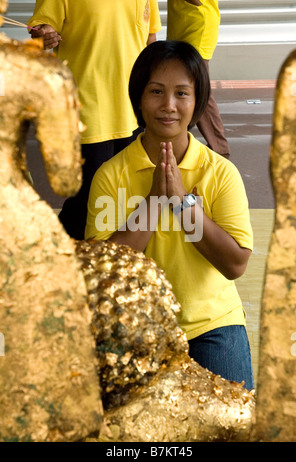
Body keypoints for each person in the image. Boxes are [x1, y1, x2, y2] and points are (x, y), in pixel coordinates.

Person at [85, 40, 254, 390]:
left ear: (198, 101)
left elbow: (235, 265)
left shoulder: (220, 173)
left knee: (234, 425)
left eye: (181, 93)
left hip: (213, 325)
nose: (168, 106)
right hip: (136, 326)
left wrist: (182, 205)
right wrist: (155, 203)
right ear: (139, 99)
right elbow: (103, 277)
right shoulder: (111, 175)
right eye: (156, 91)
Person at [27, 0, 161, 239]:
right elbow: (41, 31)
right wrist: (43, 37)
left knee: (125, 196)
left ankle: (110, 263)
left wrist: (153, 97)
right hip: (87, 106)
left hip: (132, 108)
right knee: (87, 200)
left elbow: (150, 39)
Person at [167, 0, 230, 158]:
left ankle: (220, 149)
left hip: (196, 32)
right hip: (184, 29)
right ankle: (175, 138)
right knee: (187, 87)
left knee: (199, 91)